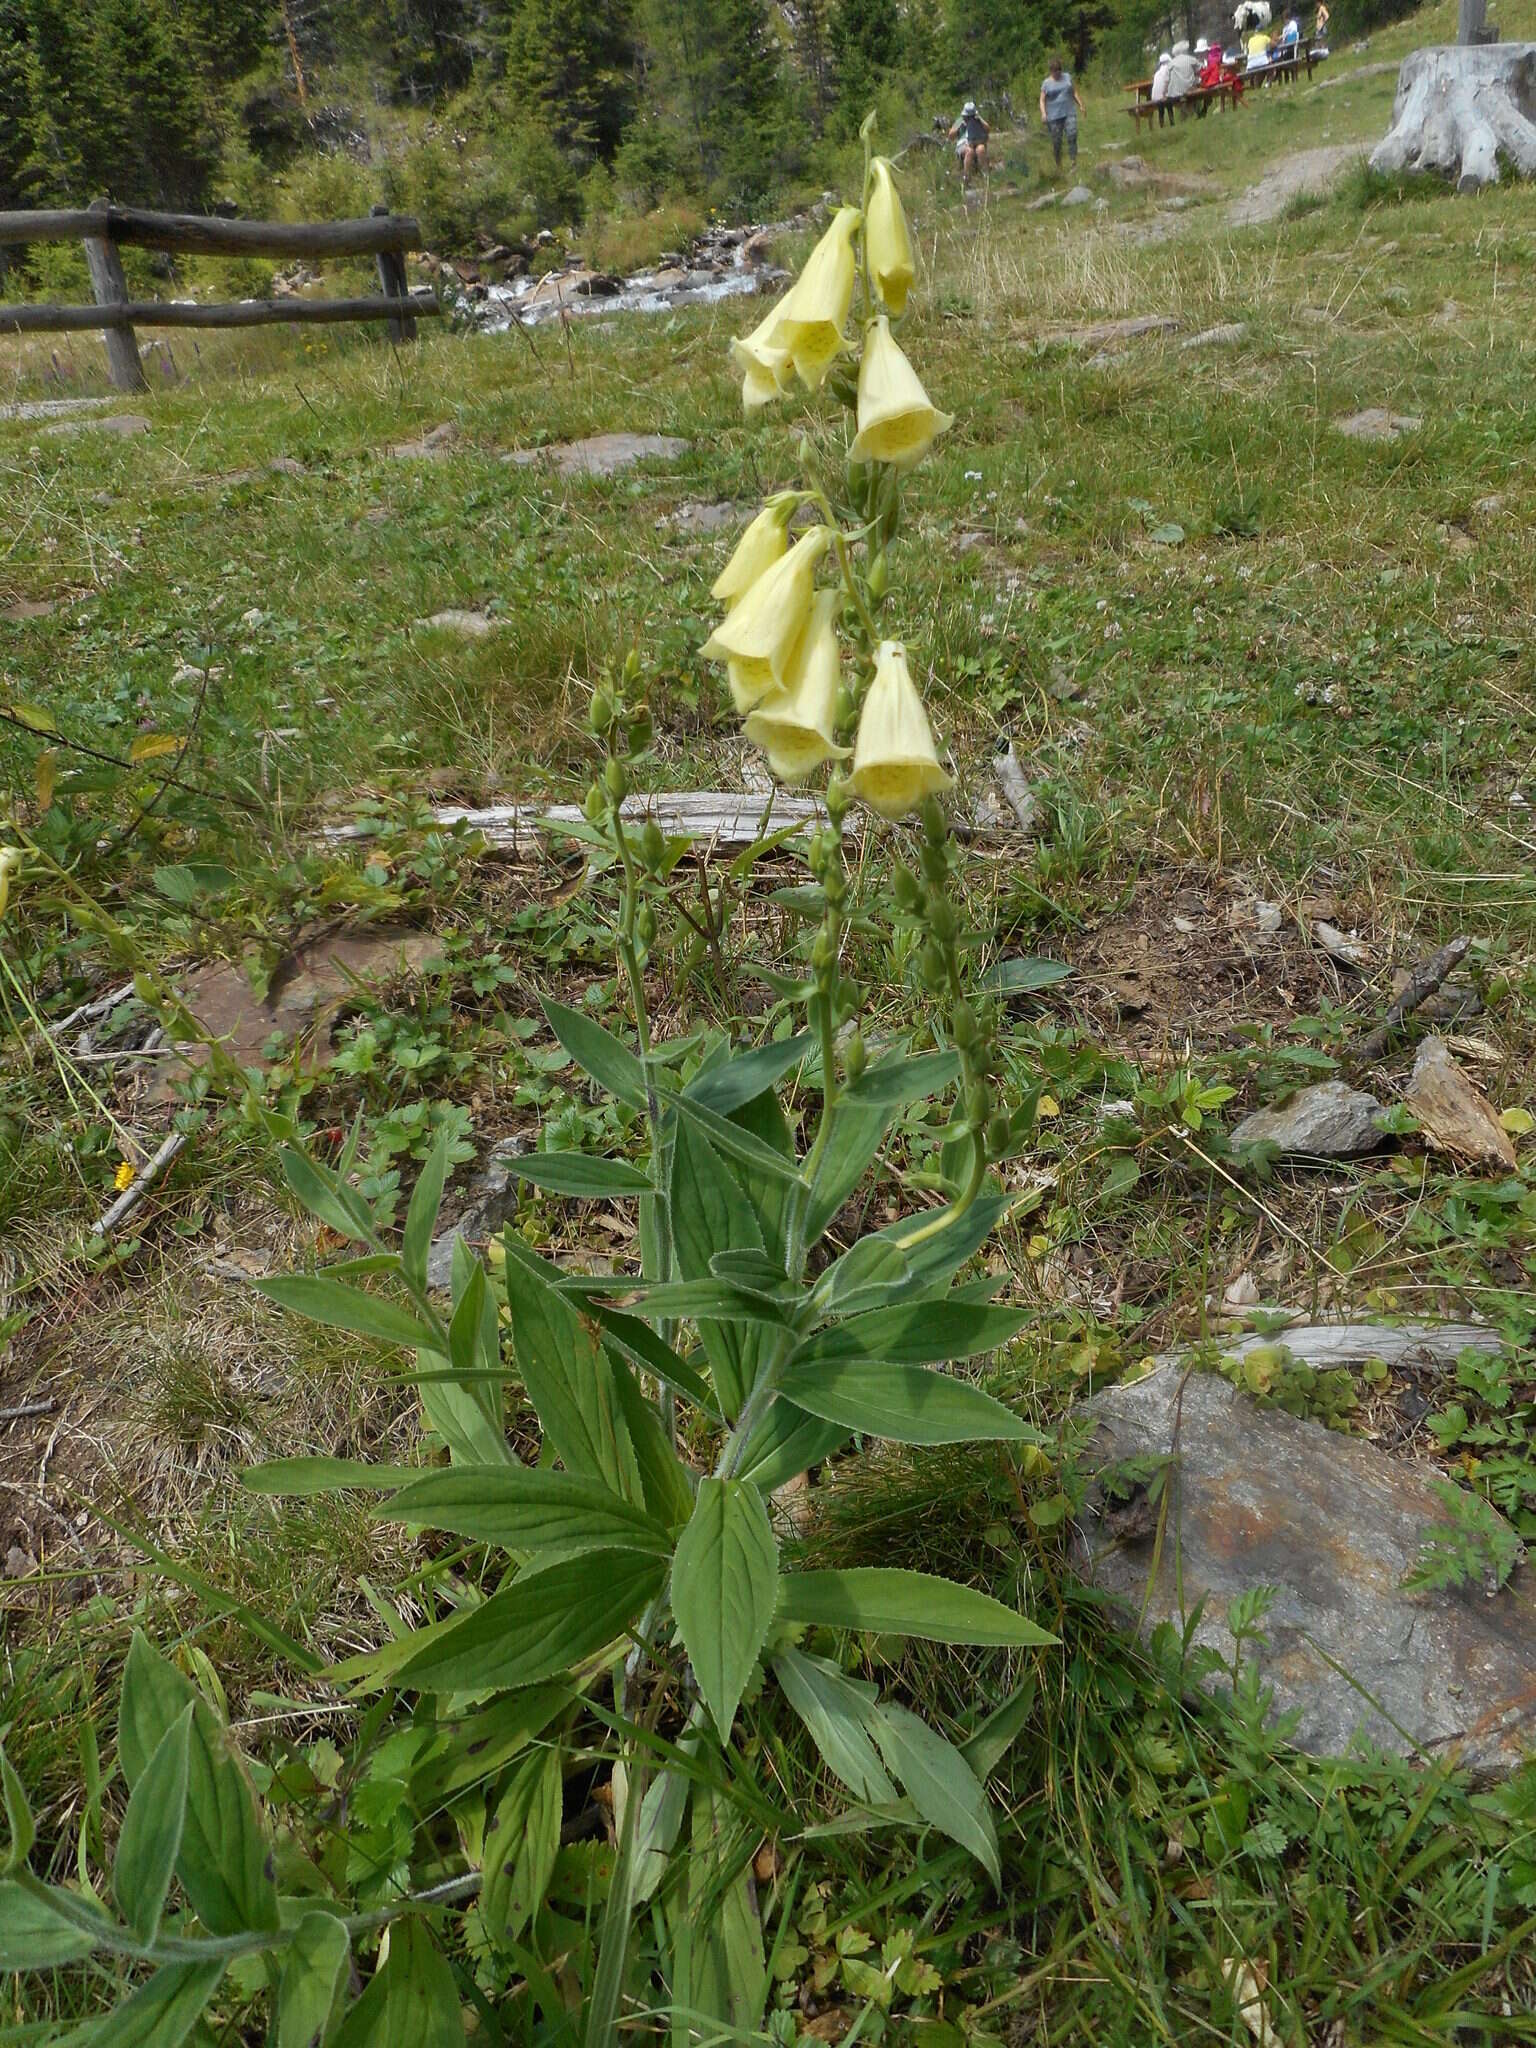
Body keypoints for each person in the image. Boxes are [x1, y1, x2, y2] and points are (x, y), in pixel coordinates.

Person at [1039, 56, 1084, 168]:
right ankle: (1058, 163)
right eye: (1055, 71)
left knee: (1072, 135)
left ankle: (1073, 162)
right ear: (1051, 71)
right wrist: (1044, 113)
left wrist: (1081, 105)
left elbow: (1074, 92)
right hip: (1054, 117)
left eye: (1059, 70)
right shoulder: (1046, 83)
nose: (1058, 73)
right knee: (1057, 141)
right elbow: (1042, 99)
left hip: (1069, 112)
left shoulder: (1067, 77)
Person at [948, 99, 990, 181]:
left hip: (977, 141)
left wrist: (980, 119)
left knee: (981, 149)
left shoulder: (978, 119)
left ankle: (985, 174)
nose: (969, 118)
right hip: (963, 144)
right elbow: (950, 136)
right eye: (968, 117)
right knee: (969, 151)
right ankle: (966, 176)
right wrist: (960, 125)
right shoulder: (960, 120)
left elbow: (988, 129)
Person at [1166, 35, 1199, 105]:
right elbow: (1201, 68)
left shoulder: (1171, 63)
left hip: (1175, 92)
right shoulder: (1191, 59)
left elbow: (1167, 77)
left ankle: (1186, 109)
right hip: (1190, 88)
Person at [1149, 50, 1173, 125]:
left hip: (1155, 97)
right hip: (1164, 96)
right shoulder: (1168, 69)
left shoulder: (1157, 73)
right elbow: (1167, 82)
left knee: (1161, 110)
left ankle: (1161, 125)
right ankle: (1172, 123)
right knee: (1169, 106)